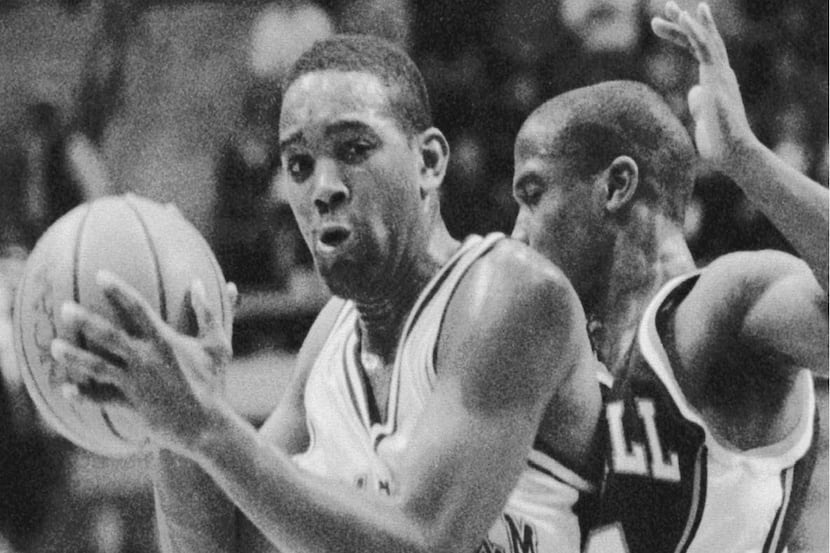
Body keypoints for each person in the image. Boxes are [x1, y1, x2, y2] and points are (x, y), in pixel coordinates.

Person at [50, 35, 604, 553]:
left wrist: (205, 425)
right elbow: (220, 547)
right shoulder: (329, 343)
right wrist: (171, 431)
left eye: (355, 148)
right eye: (299, 164)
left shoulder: (510, 292)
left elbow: (424, 539)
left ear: (429, 161)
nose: (323, 187)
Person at [510, 3, 828, 552]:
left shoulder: (717, 307)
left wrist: (744, 158)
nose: (518, 234)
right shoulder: (564, 357)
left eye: (533, 195)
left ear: (615, 186)